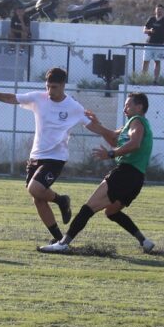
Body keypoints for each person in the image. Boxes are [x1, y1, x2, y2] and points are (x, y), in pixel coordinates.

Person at [0, 67, 89, 245]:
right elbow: (11, 98)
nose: (49, 91)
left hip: (56, 157)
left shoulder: (73, 106)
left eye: (54, 87)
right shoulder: (39, 98)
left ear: (63, 85)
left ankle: (61, 200)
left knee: (35, 189)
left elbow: (91, 123)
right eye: (47, 86)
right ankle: (59, 238)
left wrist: (111, 135)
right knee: (38, 198)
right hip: (36, 155)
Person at [40, 92, 156, 254]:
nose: (124, 108)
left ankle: (63, 243)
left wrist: (111, 154)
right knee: (111, 212)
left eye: (128, 105)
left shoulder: (136, 122)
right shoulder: (133, 124)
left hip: (125, 174)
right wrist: (97, 124)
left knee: (87, 208)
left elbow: (135, 143)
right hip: (137, 179)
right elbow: (113, 138)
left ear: (139, 107)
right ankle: (145, 241)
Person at [142, 3, 164, 84]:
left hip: (159, 45)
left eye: (160, 10)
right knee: (145, 61)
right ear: (155, 10)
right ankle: (143, 79)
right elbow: (144, 30)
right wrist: (149, 30)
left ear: (163, 11)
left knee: (157, 62)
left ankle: (156, 80)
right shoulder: (151, 19)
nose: (159, 11)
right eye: (157, 9)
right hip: (149, 44)